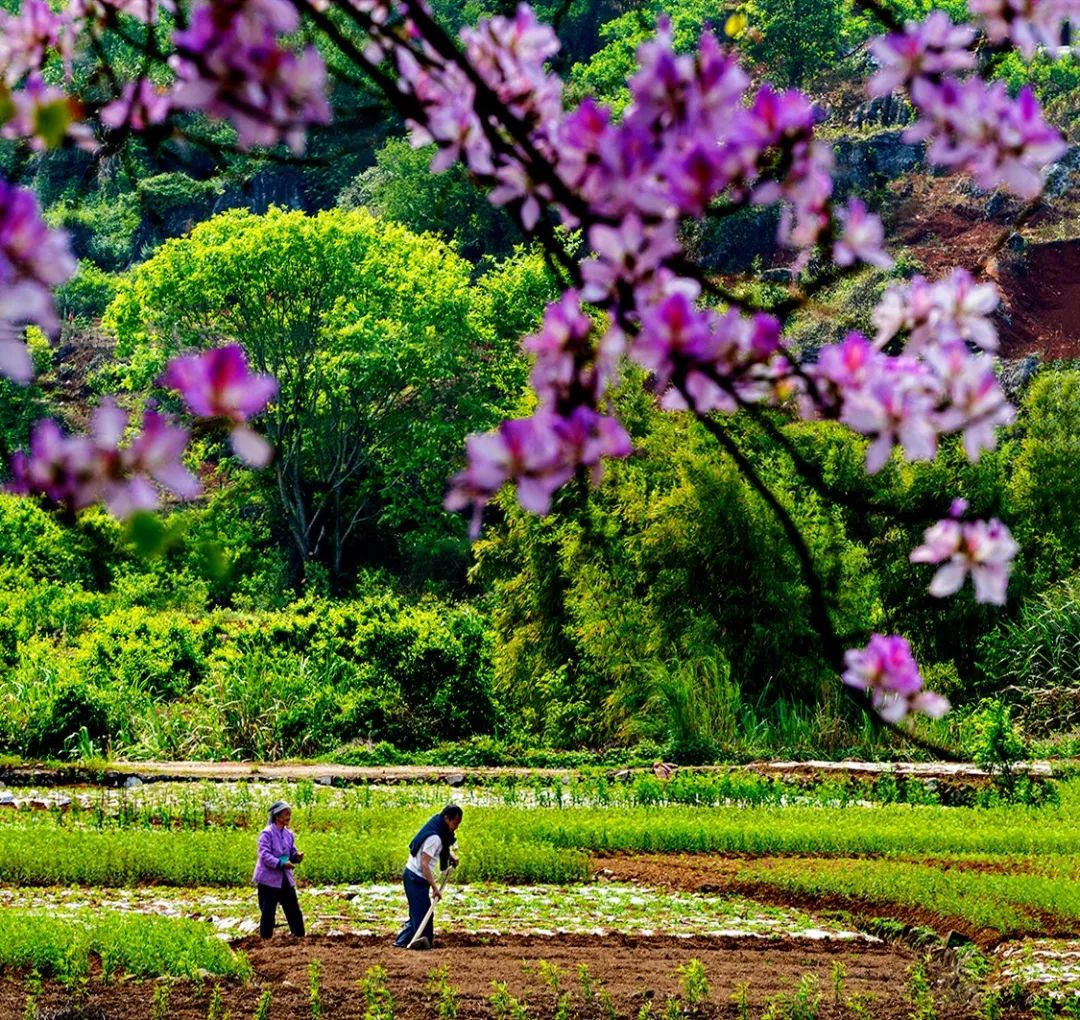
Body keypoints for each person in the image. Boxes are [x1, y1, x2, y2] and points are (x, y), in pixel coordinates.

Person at [393, 804, 462, 950]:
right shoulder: (435, 838)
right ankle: (411, 944)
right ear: (446, 819)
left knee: (419, 914)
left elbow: (439, 849)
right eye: (455, 823)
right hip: (415, 878)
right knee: (422, 916)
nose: (456, 827)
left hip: (417, 878)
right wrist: (435, 888)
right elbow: (424, 864)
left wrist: (450, 856)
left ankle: (402, 942)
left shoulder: (439, 831)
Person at [253, 800, 306, 939]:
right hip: (268, 880)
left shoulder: (288, 834)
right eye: (286, 814)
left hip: (285, 878)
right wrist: (280, 864)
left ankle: (299, 936)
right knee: (268, 911)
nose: (289, 817)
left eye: (289, 814)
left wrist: (296, 857)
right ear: (277, 816)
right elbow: (264, 855)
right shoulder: (267, 833)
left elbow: (291, 853)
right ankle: (265, 939)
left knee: (293, 909)